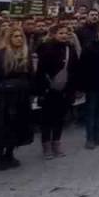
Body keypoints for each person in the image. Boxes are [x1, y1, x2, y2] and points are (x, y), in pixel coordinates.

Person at [0, 28, 36, 170]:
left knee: (17, 126)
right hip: (4, 96)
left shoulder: (26, 54)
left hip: (22, 95)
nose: (18, 39)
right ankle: (0, 158)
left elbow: (31, 75)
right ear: (9, 38)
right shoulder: (1, 55)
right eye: (15, 36)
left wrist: (32, 92)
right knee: (2, 127)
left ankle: (10, 154)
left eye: (20, 36)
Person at [35, 24, 79, 158]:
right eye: (60, 33)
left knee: (59, 119)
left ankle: (57, 144)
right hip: (49, 90)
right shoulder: (45, 48)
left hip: (65, 90)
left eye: (66, 33)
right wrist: (41, 90)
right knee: (47, 120)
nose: (64, 35)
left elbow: (75, 69)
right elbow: (40, 72)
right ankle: (46, 146)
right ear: (54, 34)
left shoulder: (70, 48)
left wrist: (73, 89)